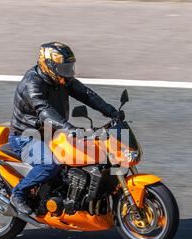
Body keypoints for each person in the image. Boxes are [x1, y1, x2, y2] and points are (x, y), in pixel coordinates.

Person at [8, 41, 123, 221]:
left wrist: (111, 111)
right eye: (63, 68)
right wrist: (68, 128)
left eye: (69, 67)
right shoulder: (32, 84)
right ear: (48, 65)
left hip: (52, 132)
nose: (68, 72)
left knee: (93, 153)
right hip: (26, 136)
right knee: (49, 164)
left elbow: (86, 94)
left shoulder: (60, 79)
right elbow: (44, 111)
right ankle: (18, 194)